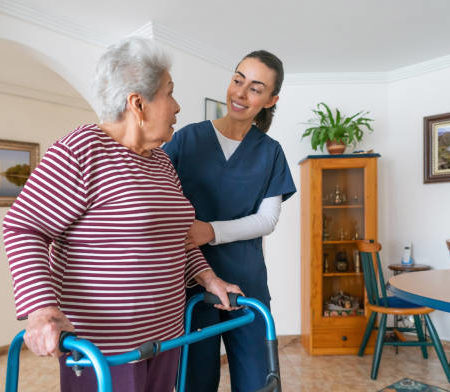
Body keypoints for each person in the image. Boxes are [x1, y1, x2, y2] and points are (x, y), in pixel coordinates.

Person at [2, 36, 242, 392]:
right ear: (138, 103)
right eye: (169, 92)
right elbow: (23, 226)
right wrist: (42, 310)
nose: (177, 107)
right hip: (106, 348)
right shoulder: (80, 150)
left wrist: (209, 279)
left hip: (166, 336)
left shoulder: (161, 162)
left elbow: (178, 237)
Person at [163, 50, 296, 391]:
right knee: (194, 379)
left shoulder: (271, 152)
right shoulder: (185, 139)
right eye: (238, 79)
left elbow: (267, 219)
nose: (240, 93)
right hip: (190, 281)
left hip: (246, 279)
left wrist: (211, 231)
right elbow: (160, 199)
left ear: (271, 99)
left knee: (258, 379)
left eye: (255, 87)